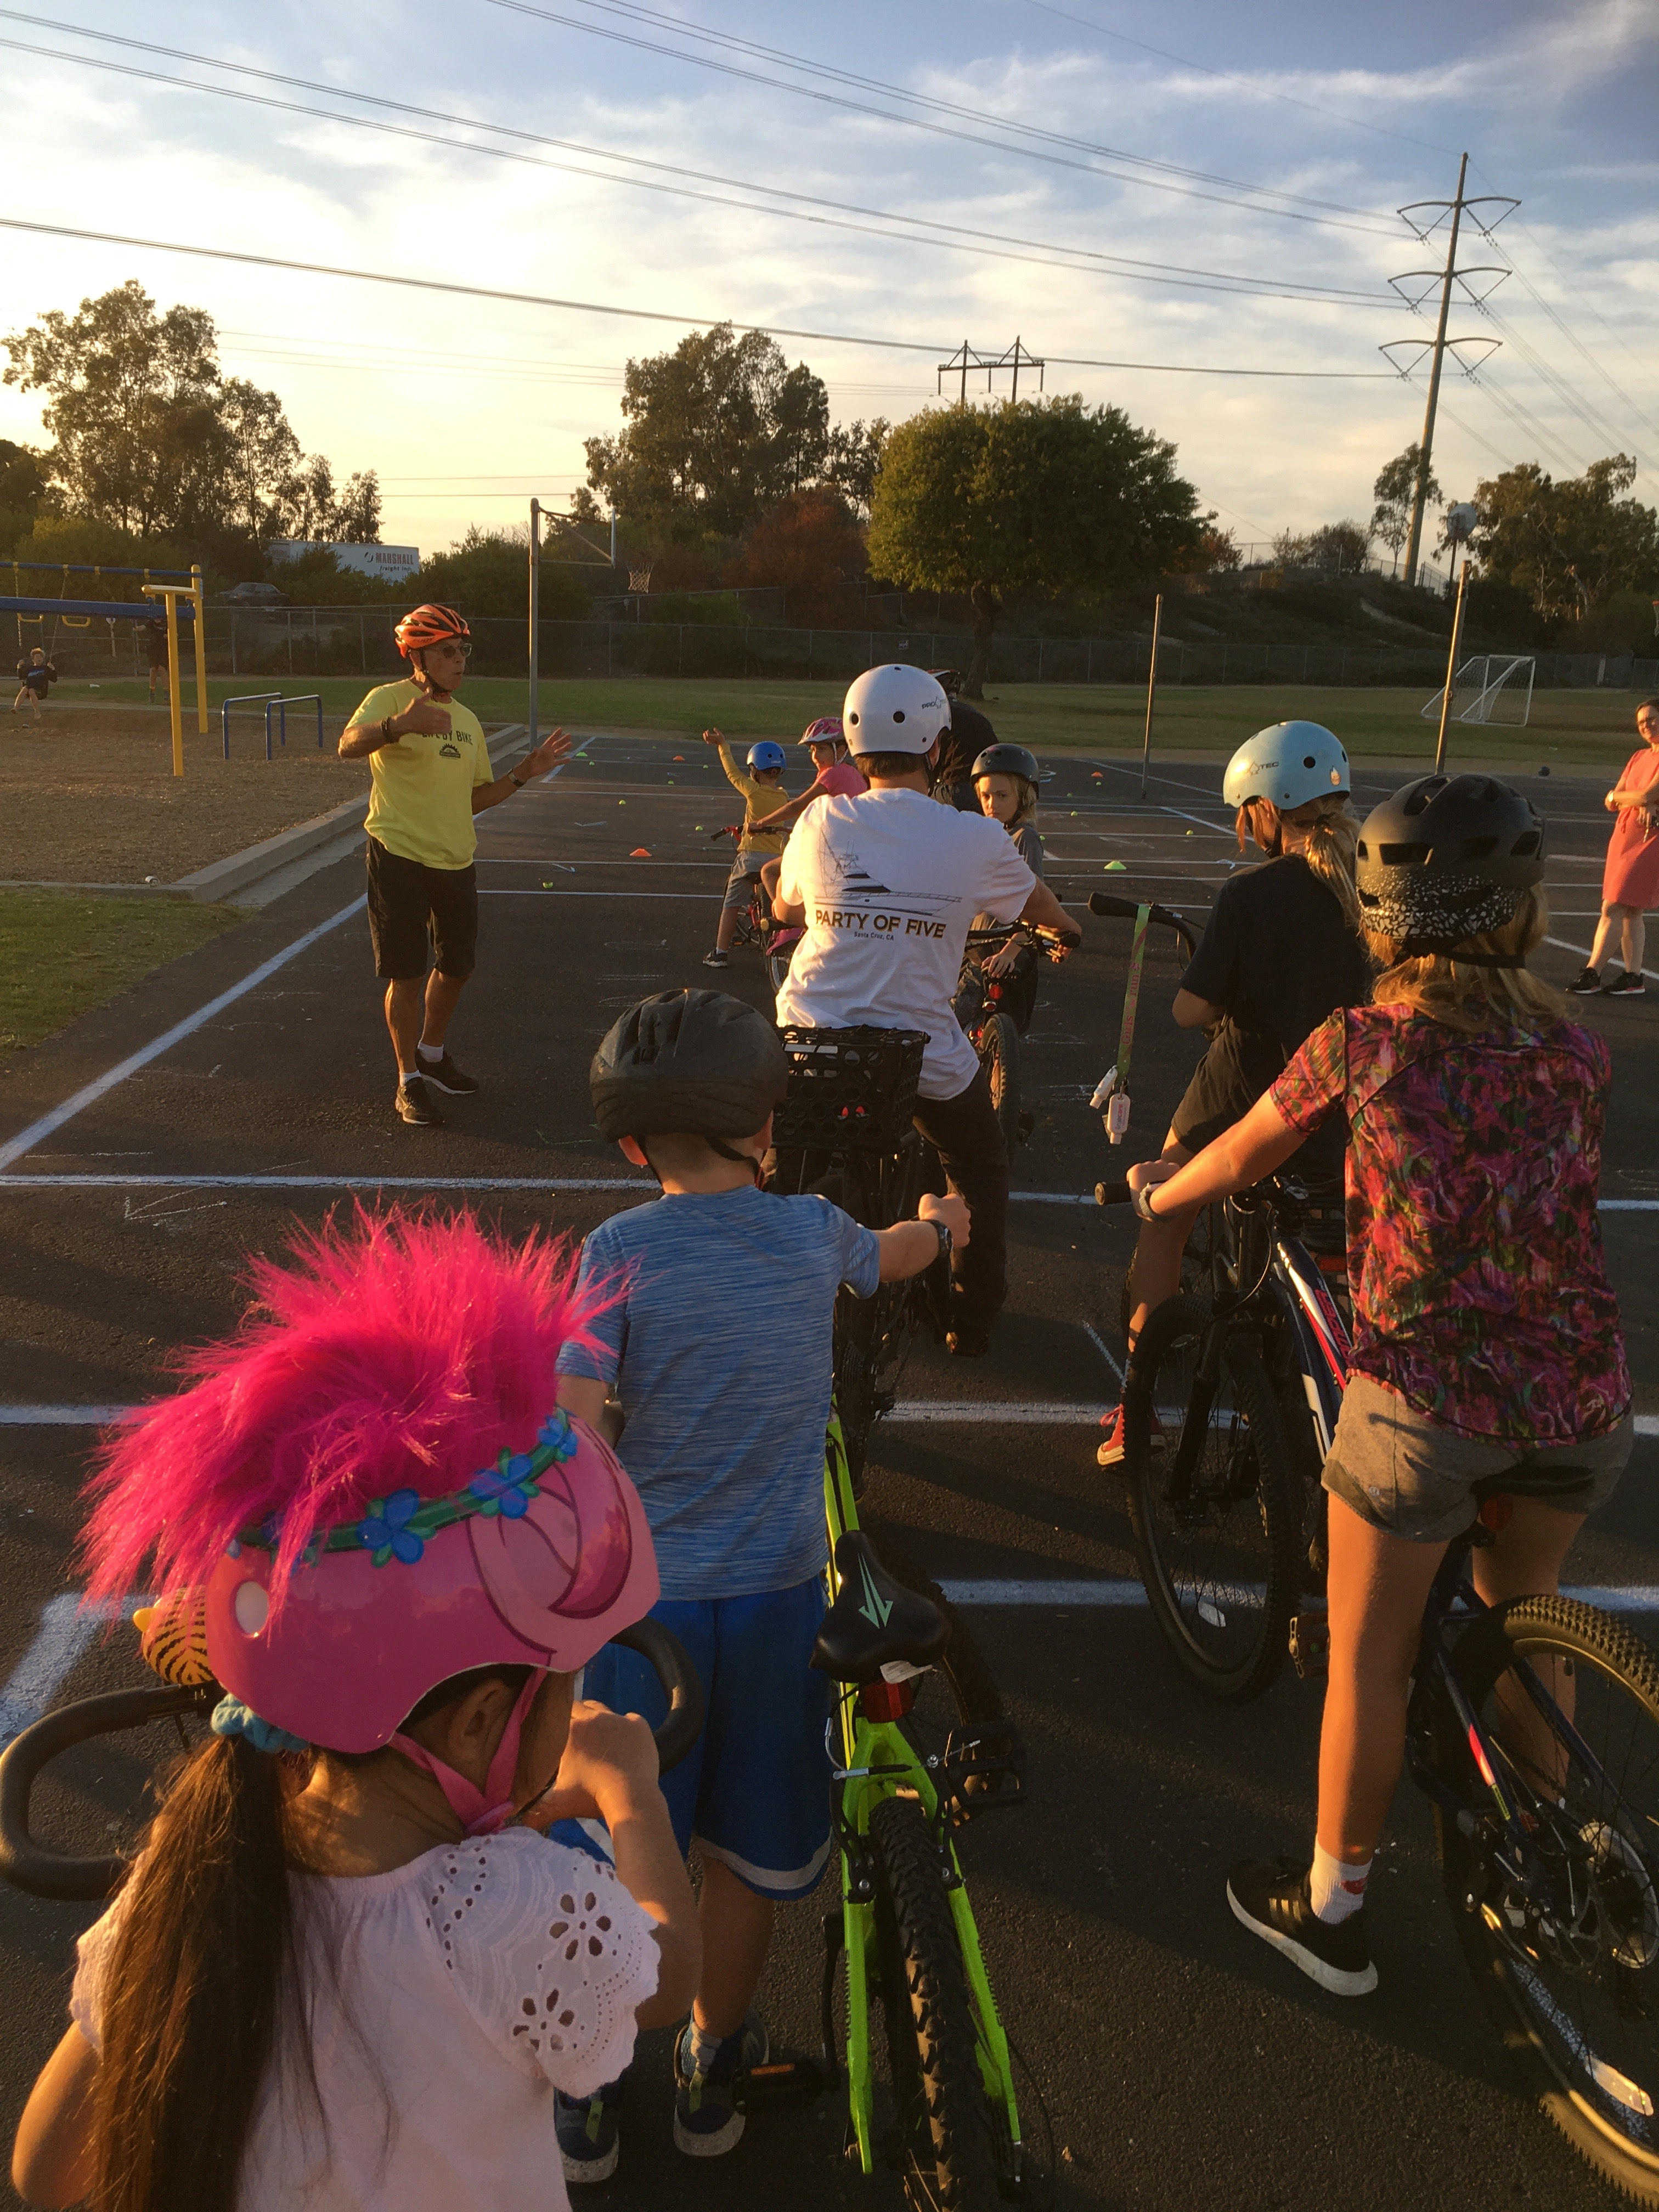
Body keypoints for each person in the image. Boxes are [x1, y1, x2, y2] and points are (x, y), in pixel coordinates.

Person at [10, 1207, 699, 2212]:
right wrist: (630, 1798)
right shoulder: (512, 1908)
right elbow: (669, 1975)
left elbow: (44, 2168)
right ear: (474, 1728)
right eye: (566, 1682)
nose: (575, 1702)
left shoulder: (187, 1878)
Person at [1125, 772, 1633, 1999]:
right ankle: (1543, 1844)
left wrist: (1161, 1194)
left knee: (1370, 1656)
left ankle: (1335, 1911)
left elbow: (1247, 1148)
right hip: (1579, 1396)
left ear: (1386, 918)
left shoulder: (1365, 1041)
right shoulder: (1577, 1046)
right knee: (1528, 1609)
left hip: (1425, 1400)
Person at [553, 989, 968, 2175]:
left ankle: (587, 2088)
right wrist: (946, 1224)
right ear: (763, 1129)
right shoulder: (812, 1231)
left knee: (614, 1845)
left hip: (644, 1616)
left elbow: (572, 1430)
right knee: (744, 1854)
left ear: (634, 1146)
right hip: (780, 1593)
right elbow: (892, 1260)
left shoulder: (614, 1254)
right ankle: (706, 2064)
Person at [772, 664, 1080, 1356]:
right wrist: (1071, 931)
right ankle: (970, 1319)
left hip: (813, 1039)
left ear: (854, 749)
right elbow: (1037, 905)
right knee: (977, 1165)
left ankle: (769, 1289)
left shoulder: (823, 817)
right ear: (939, 748)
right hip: (919, 1053)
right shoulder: (973, 836)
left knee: (778, 1163)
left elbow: (788, 905)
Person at [1097, 722, 1368, 1469]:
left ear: (1270, 807)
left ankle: (1138, 1404)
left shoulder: (1253, 894)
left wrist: (1227, 1002)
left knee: (1166, 1212)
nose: (1240, 822)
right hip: (1355, 1094)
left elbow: (1190, 1010)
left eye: (1244, 807)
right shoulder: (1372, 885)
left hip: (1253, 1087)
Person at [340, 604, 571, 1127]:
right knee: (406, 971)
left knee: (457, 968)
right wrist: (399, 726)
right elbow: (347, 746)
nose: (459, 660)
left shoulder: (467, 722)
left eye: (462, 650)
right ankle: (407, 1080)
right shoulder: (388, 700)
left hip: (455, 859)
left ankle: (433, 1055)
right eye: (447, 651)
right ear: (416, 656)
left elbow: (472, 799)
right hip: (398, 854)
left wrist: (524, 773)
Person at [1568, 693, 1659, 998]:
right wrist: (1634, 799)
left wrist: (1632, 799)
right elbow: (1614, 798)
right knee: (1631, 909)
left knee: (1613, 905)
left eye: (1652, 718)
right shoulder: (1638, 757)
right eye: (1642, 722)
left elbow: (1647, 794)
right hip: (1624, 837)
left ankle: (1592, 972)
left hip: (1650, 839)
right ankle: (1633, 977)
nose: (1647, 725)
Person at [955, 741, 1048, 1036]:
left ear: (1024, 797)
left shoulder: (1024, 839)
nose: (991, 803)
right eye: (985, 796)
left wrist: (1013, 948)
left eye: (1002, 795)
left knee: (949, 1022)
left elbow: (1033, 903)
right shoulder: (987, 838)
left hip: (1004, 953)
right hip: (975, 949)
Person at [750, 715, 868, 910]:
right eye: (813, 750)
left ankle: (786, 923)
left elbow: (797, 806)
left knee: (769, 872)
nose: (816, 756)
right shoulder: (854, 773)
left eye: (822, 749)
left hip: (832, 851)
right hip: (856, 850)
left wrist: (760, 823)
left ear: (840, 750)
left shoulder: (832, 774)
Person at [700, 730, 789, 968]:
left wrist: (722, 745)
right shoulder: (783, 796)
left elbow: (732, 773)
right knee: (777, 895)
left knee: (731, 903)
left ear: (755, 770)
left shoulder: (753, 790)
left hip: (751, 856)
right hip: (776, 857)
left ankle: (720, 952)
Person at [928, 667, 1000, 811]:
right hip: (988, 790)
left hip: (958, 791)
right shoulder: (971, 713)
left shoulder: (938, 715)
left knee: (914, 797)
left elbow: (929, 764)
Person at [12, 645, 57, 716]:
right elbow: (21, 677)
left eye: (41, 657)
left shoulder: (45, 669)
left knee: (31, 690)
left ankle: (37, 713)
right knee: (25, 689)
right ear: (33, 660)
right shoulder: (29, 669)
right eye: (37, 657)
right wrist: (19, 668)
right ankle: (16, 708)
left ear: (43, 659)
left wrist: (53, 669)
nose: (40, 659)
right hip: (29, 689)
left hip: (41, 691)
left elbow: (54, 680)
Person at [144, 617, 168, 703]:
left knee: (162, 669)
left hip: (163, 648)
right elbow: (143, 627)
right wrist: (136, 629)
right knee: (153, 669)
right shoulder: (151, 622)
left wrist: (168, 635)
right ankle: (152, 692)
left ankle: (167, 692)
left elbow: (175, 634)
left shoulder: (167, 622)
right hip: (153, 648)